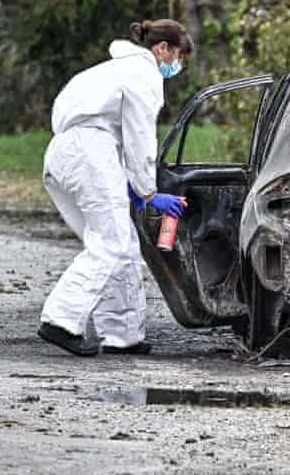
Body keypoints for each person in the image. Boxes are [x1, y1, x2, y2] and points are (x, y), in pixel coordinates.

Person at [37, 19, 193, 356]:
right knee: (112, 243)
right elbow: (139, 137)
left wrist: (132, 187)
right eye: (179, 56)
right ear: (162, 48)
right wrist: (149, 192)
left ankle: (123, 335)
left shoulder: (111, 70)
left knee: (120, 244)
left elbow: (113, 136)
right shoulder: (144, 74)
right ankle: (61, 320)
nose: (178, 65)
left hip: (64, 153)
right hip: (89, 153)